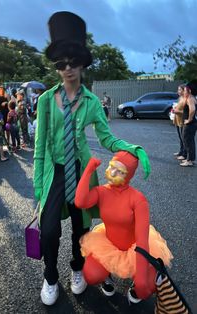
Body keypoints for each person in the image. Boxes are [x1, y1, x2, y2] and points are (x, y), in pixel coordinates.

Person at [33, 11, 150, 306]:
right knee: (48, 229)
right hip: (55, 171)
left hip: (82, 171)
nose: (68, 68)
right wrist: (38, 190)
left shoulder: (92, 102)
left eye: (73, 61)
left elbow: (107, 139)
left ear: (82, 63)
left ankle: (76, 269)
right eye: (61, 63)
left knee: (80, 226)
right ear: (56, 67)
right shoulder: (46, 101)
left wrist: (132, 148)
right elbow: (39, 150)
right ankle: (49, 276)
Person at [75, 152, 173, 301]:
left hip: (134, 248)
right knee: (91, 275)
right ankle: (106, 276)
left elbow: (142, 240)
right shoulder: (102, 191)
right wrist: (88, 170)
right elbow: (80, 202)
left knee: (149, 284)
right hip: (108, 244)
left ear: (128, 175)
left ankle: (135, 285)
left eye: (119, 171)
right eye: (111, 166)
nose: (112, 173)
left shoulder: (138, 199)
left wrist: (141, 280)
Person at [179, 85, 197, 167]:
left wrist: (189, 119)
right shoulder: (191, 98)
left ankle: (189, 160)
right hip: (191, 124)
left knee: (187, 141)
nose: (184, 92)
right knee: (190, 141)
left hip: (190, 124)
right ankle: (191, 159)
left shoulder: (190, 98)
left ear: (189, 91)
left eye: (185, 90)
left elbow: (192, 109)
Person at [173, 85, 186, 159]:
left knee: (183, 138)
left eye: (180, 90)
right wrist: (175, 108)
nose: (178, 91)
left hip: (182, 120)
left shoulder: (186, 99)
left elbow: (186, 111)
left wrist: (177, 111)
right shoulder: (180, 98)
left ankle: (184, 154)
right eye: (178, 90)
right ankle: (181, 151)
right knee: (180, 137)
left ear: (184, 90)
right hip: (177, 120)